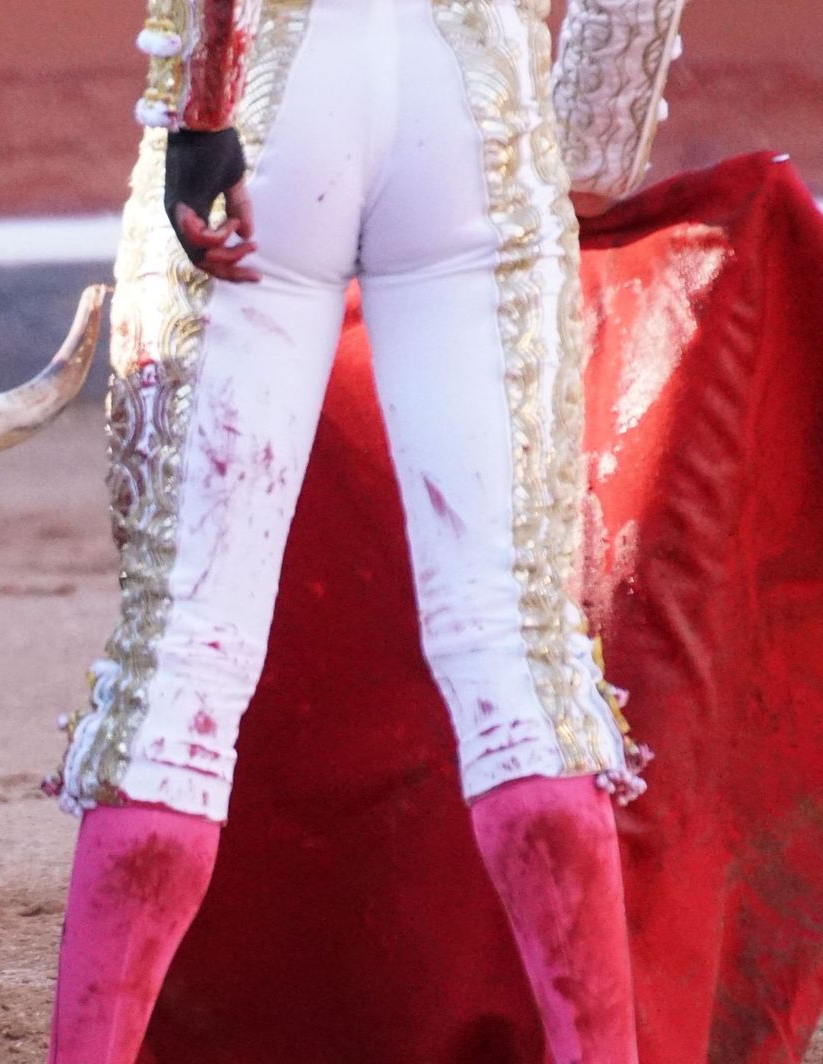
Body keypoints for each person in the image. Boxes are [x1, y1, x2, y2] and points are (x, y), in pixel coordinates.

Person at [43, 0, 684, 1060]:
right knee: (516, 651)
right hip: (478, 85)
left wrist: (203, 111)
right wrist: (579, 133)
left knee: (182, 657)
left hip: (270, 83)